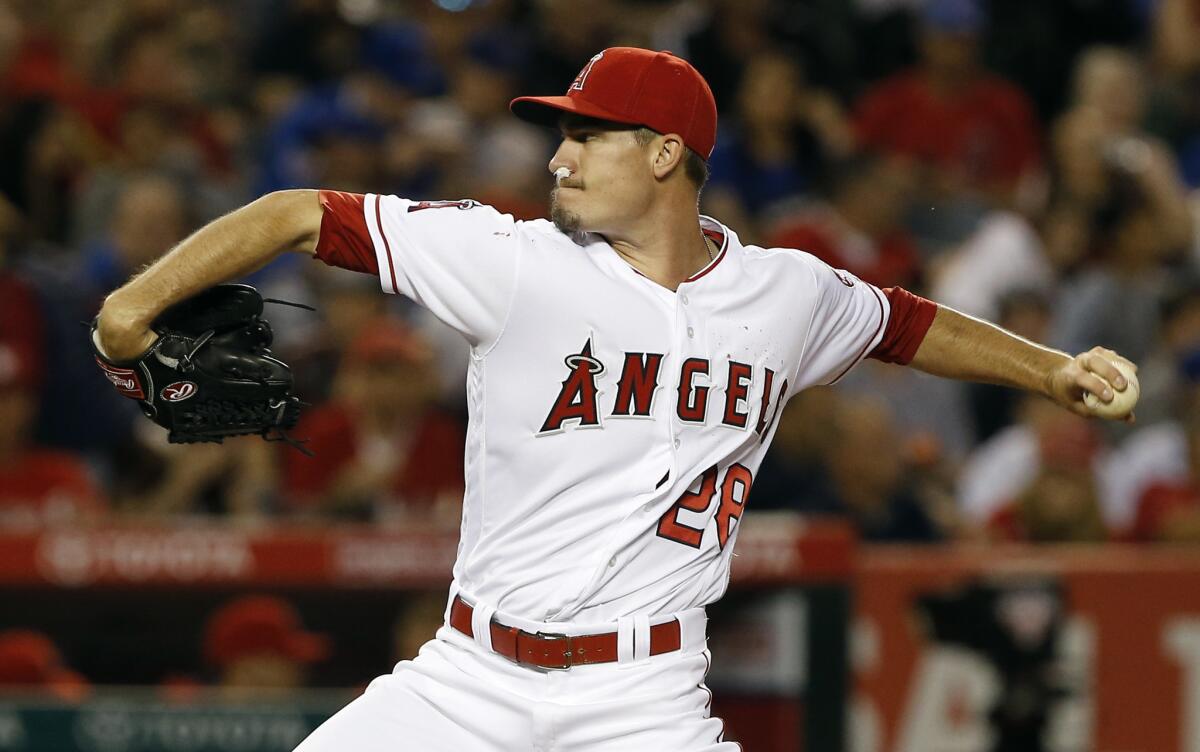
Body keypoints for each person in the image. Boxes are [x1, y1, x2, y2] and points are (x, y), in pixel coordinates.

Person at [95, 46, 1139, 752]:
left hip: (643, 699)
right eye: (562, 133)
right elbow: (296, 211)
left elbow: (908, 325)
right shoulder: (514, 260)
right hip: (468, 678)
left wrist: (1048, 368)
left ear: (665, 152)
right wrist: (131, 309)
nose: (559, 155)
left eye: (587, 135)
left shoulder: (787, 292)